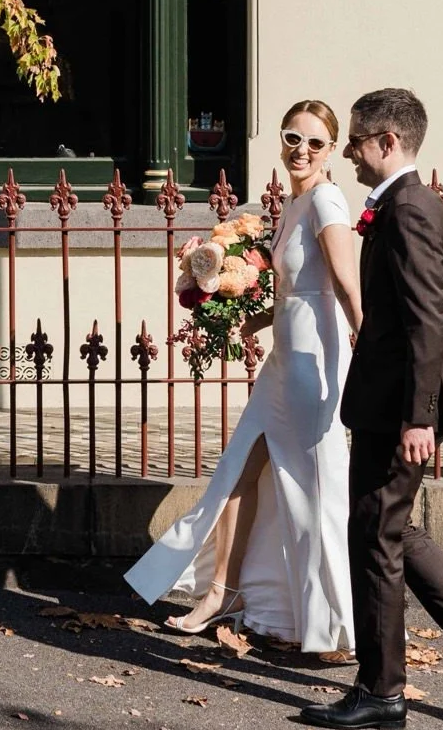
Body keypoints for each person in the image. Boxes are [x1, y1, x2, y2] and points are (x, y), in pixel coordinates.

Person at [298, 88, 443, 730]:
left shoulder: (411, 210)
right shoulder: (402, 205)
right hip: (391, 399)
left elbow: (432, 322)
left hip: (402, 404)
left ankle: (382, 691)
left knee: (374, 533)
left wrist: (419, 417)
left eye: (355, 140)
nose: (348, 151)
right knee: (387, 526)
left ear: (388, 143)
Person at [125, 100, 363, 654]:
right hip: (284, 359)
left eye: (314, 142)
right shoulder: (294, 203)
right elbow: (290, 294)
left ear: (330, 151)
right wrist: (231, 319)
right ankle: (222, 594)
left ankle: (329, 627)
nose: (300, 150)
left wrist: (369, 349)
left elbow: (346, 287)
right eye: (291, 138)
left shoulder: (327, 200)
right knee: (238, 475)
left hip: (313, 368)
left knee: (310, 492)